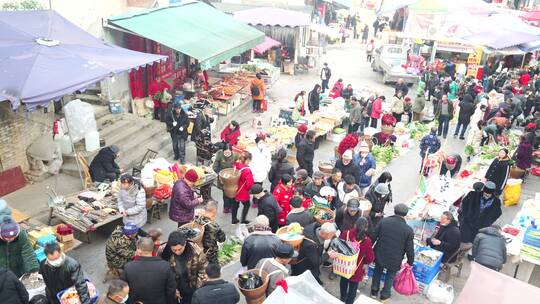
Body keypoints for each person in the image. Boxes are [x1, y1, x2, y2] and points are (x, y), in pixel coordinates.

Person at [370, 204, 414, 302]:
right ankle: (385, 295)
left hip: (380, 253)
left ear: (394, 211)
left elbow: (373, 236)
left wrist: (369, 250)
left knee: (377, 271)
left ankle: (374, 291)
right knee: (390, 276)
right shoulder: (408, 230)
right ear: (405, 214)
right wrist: (410, 262)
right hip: (395, 258)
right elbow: (410, 249)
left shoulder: (384, 221)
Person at [122, 238, 176, 304]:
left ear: (139, 250)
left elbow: (123, 289)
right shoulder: (165, 266)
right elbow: (171, 290)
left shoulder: (128, 267)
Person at [162, 231, 206, 304]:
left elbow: (202, 271)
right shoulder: (164, 251)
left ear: (185, 244)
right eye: (174, 250)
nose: (177, 252)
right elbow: (162, 272)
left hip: (191, 286)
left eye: (180, 249)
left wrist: (198, 289)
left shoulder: (196, 251)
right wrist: (173, 289)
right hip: (174, 287)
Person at [339, 218, 375, 304]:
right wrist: (365, 263)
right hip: (357, 268)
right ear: (366, 228)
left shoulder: (345, 234)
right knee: (353, 288)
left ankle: (342, 298)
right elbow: (370, 257)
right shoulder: (367, 241)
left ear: (355, 225)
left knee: (343, 281)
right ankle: (349, 302)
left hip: (344, 265)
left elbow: (338, 245)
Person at [194, 201, 226, 265]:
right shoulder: (214, 226)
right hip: (210, 253)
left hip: (198, 250)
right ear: (214, 212)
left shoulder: (197, 218)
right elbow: (222, 239)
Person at [213, 144, 239, 213]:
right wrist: (221, 172)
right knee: (225, 194)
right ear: (223, 151)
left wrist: (235, 168)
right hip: (223, 179)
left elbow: (239, 164)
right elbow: (215, 167)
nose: (227, 154)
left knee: (232, 193)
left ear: (231, 151)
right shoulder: (219, 155)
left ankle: (231, 207)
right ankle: (226, 207)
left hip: (232, 178)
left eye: (229, 152)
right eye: (225, 152)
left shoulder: (236, 155)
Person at [233, 152, 255, 224]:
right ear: (247, 160)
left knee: (235, 205)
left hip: (234, 189)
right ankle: (243, 220)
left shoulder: (236, 165)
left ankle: (234, 219)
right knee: (247, 205)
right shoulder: (247, 170)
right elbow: (250, 183)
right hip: (243, 191)